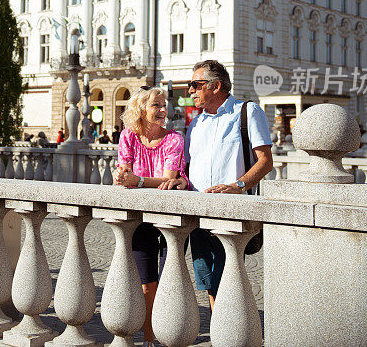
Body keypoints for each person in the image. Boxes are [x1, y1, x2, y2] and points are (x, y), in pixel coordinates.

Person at [173, 60, 272, 311]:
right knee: (208, 281)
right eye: (190, 85)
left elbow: (265, 162)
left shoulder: (248, 112)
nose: (191, 91)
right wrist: (180, 181)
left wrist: (238, 185)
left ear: (216, 86)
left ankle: (234, 330)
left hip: (231, 212)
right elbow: (188, 168)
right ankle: (222, 329)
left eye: (195, 85)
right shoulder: (195, 124)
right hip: (198, 215)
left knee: (228, 278)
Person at [113, 86, 189, 346]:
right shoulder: (128, 137)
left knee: (170, 280)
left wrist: (137, 179)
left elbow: (168, 180)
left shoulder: (174, 139)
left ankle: (170, 335)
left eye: (164, 105)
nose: (163, 110)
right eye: (156, 105)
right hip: (142, 218)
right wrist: (124, 177)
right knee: (147, 283)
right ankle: (148, 339)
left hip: (170, 218)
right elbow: (124, 174)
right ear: (141, 109)